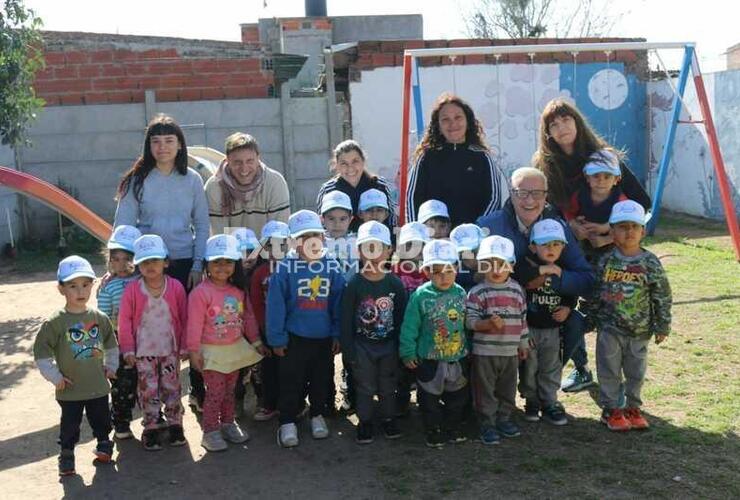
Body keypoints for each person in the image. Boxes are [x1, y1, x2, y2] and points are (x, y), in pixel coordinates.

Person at [477, 167, 595, 391]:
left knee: (575, 321)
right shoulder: (488, 226)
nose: (530, 200)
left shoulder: (558, 227)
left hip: (543, 308)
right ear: (511, 194)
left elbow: (586, 278)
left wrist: (552, 280)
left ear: (546, 195)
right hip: (500, 307)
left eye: (537, 193)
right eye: (522, 193)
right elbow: (469, 276)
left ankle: (545, 383)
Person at [587, 200, 672, 431]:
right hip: (609, 327)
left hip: (640, 329)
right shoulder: (605, 260)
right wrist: (591, 317)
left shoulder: (650, 262)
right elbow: (595, 292)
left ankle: (633, 407)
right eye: (622, 227)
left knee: (636, 372)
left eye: (634, 226)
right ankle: (612, 409)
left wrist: (662, 325)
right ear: (612, 232)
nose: (629, 232)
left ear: (643, 231)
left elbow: (662, 295)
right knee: (609, 369)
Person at [267, 210, 345, 448]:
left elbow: (338, 303)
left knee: (321, 378)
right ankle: (287, 420)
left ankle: (317, 414)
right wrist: (277, 338)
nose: (310, 241)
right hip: (294, 338)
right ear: (292, 241)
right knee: (291, 380)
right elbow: (276, 306)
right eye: (303, 237)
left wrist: (336, 332)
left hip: (322, 339)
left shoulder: (332, 266)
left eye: (315, 235)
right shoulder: (284, 269)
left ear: (323, 237)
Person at [34, 256, 118, 476]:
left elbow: (111, 345)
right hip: (69, 390)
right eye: (72, 286)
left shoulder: (99, 318)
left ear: (92, 285)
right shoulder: (54, 323)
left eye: (85, 284)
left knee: (101, 419)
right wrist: (55, 377)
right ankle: (67, 455)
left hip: (98, 386)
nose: (80, 291)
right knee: (70, 426)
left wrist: (111, 367)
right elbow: (41, 354)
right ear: (61, 288)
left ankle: (104, 445)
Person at [187, 234, 268, 451]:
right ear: (207, 264)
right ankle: (210, 431)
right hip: (211, 352)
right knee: (215, 392)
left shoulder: (238, 291)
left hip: (233, 349)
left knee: (231, 390)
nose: (222, 267)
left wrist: (256, 341)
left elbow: (248, 317)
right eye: (216, 262)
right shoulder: (200, 293)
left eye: (228, 262)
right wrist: (193, 351)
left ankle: (228, 423)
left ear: (236, 265)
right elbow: (193, 324)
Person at [114, 114, 209, 291]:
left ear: (180, 144)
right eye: (156, 141)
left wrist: (198, 265)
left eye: (169, 140)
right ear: (148, 146)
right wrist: (117, 266)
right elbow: (123, 225)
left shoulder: (193, 179)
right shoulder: (136, 180)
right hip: (146, 261)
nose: (162, 147)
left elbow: (202, 224)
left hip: (184, 262)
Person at [118, 235, 188, 451]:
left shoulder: (175, 287)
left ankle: (175, 423)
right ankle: (151, 425)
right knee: (148, 390)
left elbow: (185, 317)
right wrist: (127, 348)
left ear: (165, 262)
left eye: (155, 260)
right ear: (137, 264)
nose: (150, 266)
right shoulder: (132, 290)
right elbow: (124, 321)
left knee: (172, 387)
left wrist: (184, 344)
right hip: (143, 352)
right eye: (145, 261)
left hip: (169, 350)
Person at [341, 222, 407, 444]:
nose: (374, 254)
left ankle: (389, 419)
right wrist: (349, 351)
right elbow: (346, 320)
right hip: (363, 346)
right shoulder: (354, 284)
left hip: (388, 345)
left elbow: (401, 319)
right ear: (359, 251)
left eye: (379, 248)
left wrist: (401, 347)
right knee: (365, 385)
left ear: (389, 250)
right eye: (367, 248)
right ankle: (365, 421)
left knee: (388, 385)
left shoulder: (395, 284)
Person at [532, 97, 650, 223]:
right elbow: (542, 208)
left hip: (611, 232)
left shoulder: (604, 157)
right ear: (547, 132)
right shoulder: (544, 165)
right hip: (564, 236)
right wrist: (569, 226)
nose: (561, 128)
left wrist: (611, 229)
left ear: (577, 122)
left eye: (566, 120)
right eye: (554, 124)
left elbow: (642, 201)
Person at [400, 239, 469, 448]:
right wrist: (408, 352)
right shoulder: (421, 296)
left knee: (457, 396)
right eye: (437, 271)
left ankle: (452, 427)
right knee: (429, 398)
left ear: (456, 269)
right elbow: (410, 326)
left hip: (456, 356)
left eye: (448, 270)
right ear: (427, 271)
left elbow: (466, 323)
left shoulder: (460, 293)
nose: (443, 277)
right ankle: (433, 429)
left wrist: (469, 349)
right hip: (430, 358)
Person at [406, 93, 508, 228]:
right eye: (445, 119)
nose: (452, 123)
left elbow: (494, 199)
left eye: (458, 117)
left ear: (468, 121)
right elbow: (412, 198)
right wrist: (418, 232)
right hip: (434, 239)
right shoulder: (426, 157)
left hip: (472, 238)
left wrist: (477, 229)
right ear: (438, 126)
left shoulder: (482, 157)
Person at [466, 236, 529, 445]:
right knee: (484, 390)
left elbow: (522, 318)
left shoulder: (517, 290)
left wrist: (523, 342)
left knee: (507, 389)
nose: (496, 269)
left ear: (511, 265)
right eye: (489, 263)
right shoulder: (477, 292)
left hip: (510, 352)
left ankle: (504, 418)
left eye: (501, 263)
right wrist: (487, 325)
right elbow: (470, 322)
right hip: (485, 351)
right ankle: (487, 422)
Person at [518, 220, 577, 426]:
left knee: (551, 365)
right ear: (533, 246)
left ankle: (550, 401)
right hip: (530, 327)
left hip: (552, 328)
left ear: (563, 247)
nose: (551, 249)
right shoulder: (527, 264)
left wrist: (568, 308)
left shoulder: (564, 268)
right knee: (529, 366)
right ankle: (531, 400)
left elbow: (570, 292)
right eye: (544, 244)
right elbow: (520, 279)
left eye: (556, 244)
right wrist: (543, 270)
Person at [97, 225, 141, 439]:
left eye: (127, 258)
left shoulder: (144, 281)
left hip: (143, 338)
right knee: (122, 382)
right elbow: (103, 316)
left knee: (146, 378)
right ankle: (121, 423)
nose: (121, 264)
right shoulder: (108, 286)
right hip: (117, 339)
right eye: (115, 259)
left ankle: (154, 415)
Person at [206, 132, 291, 236]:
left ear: (258, 158)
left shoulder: (275, 183)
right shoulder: (214, 187)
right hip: (230, 249)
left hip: (268, 247)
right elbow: (219, 234)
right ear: (227, 160)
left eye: (250, 161)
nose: (244, 169)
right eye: (237, 162)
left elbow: (279, 234)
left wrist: (260, 251)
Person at [249, 221, 291, 421]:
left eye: (281, 245)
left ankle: (293, 404)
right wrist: (263, 328)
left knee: (290, 370)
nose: (276, 250)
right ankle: (269, 404)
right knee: (269, 370)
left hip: (290, 330)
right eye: (269, 245)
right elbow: (256, 303)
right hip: (267, 330)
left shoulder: (295, 269)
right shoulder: (259, 273)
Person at [562, 149, 630, 264]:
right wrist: (574, 224)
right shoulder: (579, 196)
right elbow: (568, 212)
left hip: (612, 245)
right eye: (596, 176)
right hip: (583, 243)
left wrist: (606, 231)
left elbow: (628, 226)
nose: (601, 181)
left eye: (607, 176)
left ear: (616, 179)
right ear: (587, 178)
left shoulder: (621, 201)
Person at [316, 139, 396, 233]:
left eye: (355, 161)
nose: (350, 168)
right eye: (344, 163)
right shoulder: (328, 190)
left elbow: (392, 221)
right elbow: (321, 225)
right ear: (336, 165)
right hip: (341, 245)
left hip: (376, 242)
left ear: (363, 161)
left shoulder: (379, 185)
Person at [391, 221, 429, 416]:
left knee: (423, 369)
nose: (415, 252)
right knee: (401, 371)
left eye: (420, 246)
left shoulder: (429, 274)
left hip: (424, 330)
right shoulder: (393, 272)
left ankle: (426, 402)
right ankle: (401, 400)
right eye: (409, 246)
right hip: (400, 330)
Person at [450, 223, 483, 292]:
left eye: (473, 252)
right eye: (462, 254)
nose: (470, 259)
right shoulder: (456, 270)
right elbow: (477, 277)